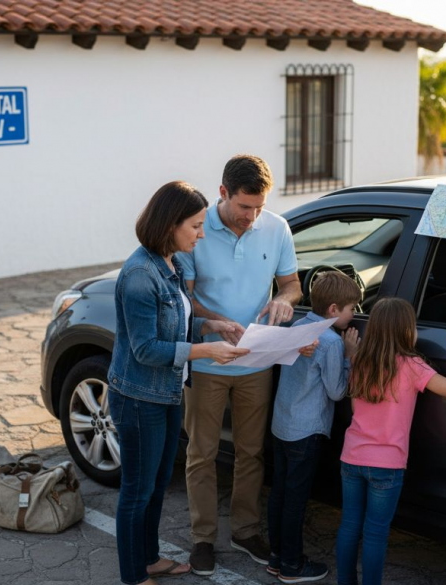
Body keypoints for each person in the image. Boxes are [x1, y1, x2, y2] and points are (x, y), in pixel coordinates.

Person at [108, 181, 249, 585]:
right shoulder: (140, 274)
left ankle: (149, 559)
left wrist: (212, 326)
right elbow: (146, 349)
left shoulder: (171, 262)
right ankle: (134, 576)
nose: (201, 234)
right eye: (196, 226)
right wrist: (206, 352)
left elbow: (176, 320)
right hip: (138, 398)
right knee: (137, 491)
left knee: (155, 486)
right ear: (170, 224)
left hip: (167, 393)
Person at [175, 154, 306, 575]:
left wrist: (283, 301)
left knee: (252, 452)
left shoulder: (277, 228)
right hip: (208, 361)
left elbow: (292, 285)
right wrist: (214, 322)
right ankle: (202, 539)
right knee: (202, 453)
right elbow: (185, 297)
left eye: (259, 207)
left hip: (257, 361)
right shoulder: (196, 229)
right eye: (245, 206)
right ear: (223, 193)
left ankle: (246, 531)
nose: (252, 216)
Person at [335, 298, 446, 585]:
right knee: (375, 533)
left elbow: (354, 408)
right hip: (386, 467)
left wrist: (351, 353)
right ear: (405, 331)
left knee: (349, 525)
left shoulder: (360, 360)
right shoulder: (413, 366)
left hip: (351, 459)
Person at [267, 271, 361, 583]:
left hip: (282, 424)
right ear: (334, 309)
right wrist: (349, 357)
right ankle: (292, 566)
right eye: (352, 309)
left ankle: (277, 556)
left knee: (280, 493)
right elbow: (336, 391)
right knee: (296, 500)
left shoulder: (299, 325)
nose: (355, 315)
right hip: (306, 431)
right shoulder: (332, 342)